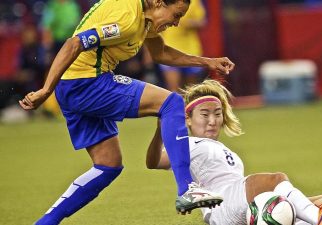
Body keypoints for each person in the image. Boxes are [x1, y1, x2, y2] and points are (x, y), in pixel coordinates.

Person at [19, 0, 235, 224]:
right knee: (171, 103)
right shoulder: (128, 19)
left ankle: (45, 223)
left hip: (75, 85)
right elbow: (73, 44)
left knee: (108, 164)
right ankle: (187, 189)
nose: (177, 22)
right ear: (160, 3)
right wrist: (46, 90)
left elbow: (160, 54)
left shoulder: (145, 18)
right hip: (86, 83)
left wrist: (207, 62)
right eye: (176, 14)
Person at [146, 79, 322, 225]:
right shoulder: (185, 143)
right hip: (222, 208)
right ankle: (317, 218)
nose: (213, 121)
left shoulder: (222, 148)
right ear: (188, 120)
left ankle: (318, 219)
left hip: (245, 206)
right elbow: (153, 162)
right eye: (204, 114)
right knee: (275, 179)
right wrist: (160, 132)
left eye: (218, 114)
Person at [159, 0, 206, 91]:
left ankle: (189, 105)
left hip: (190, 50)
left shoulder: (194, 2)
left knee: (192, 91)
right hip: (169, 48)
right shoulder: (162, 2)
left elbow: (202, 21)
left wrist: (189, 23)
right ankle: (176, 104)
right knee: (173, 90)